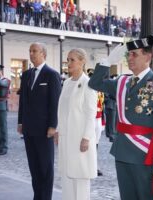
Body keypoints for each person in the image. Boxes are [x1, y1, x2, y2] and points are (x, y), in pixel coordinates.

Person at [88, 35, 153, 200]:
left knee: (145, 196)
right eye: (128, 55)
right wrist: (108, 61)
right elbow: (94, 83)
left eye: (134, 54)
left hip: (145, 153)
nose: (129, 58)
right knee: (127, 196)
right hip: (122, 151)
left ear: (148, 56)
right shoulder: (122, 82)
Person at [17, 42, 61, 200]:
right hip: (29, 129)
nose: (31, 54)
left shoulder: (52, 74)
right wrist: (20, 121)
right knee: (34, 167)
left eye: (34, 51)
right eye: (30, 51)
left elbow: (55, 103)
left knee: (45, 167)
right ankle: (37, 197)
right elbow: (23, 100)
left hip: (44, 130)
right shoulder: (27, 74)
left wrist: (52, 126)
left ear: (43, 53)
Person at [55, 48, 97, 200]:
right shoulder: (66, 83)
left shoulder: (88, 84)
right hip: (66, 138)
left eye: (72, 60)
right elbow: (62, 110)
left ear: (82, 62)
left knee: (80, 178)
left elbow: (91, 113)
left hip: (80, 139)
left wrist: (86, 137)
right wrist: (58, 131)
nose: (69, 63)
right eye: (68, 59)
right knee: (67, 177)